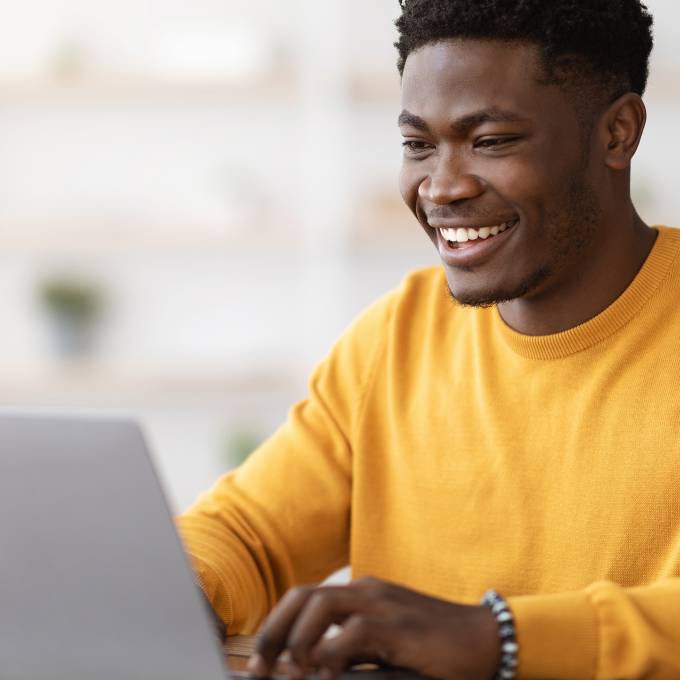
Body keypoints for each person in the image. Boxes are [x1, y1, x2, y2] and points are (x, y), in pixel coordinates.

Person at [178, 1, 680, 678]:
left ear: (618, 133)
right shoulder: (398, 334)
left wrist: (497, 637)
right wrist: (173, 584)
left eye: (492, 141)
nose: (441, 187)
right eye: (419, 145)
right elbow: (247, 533)